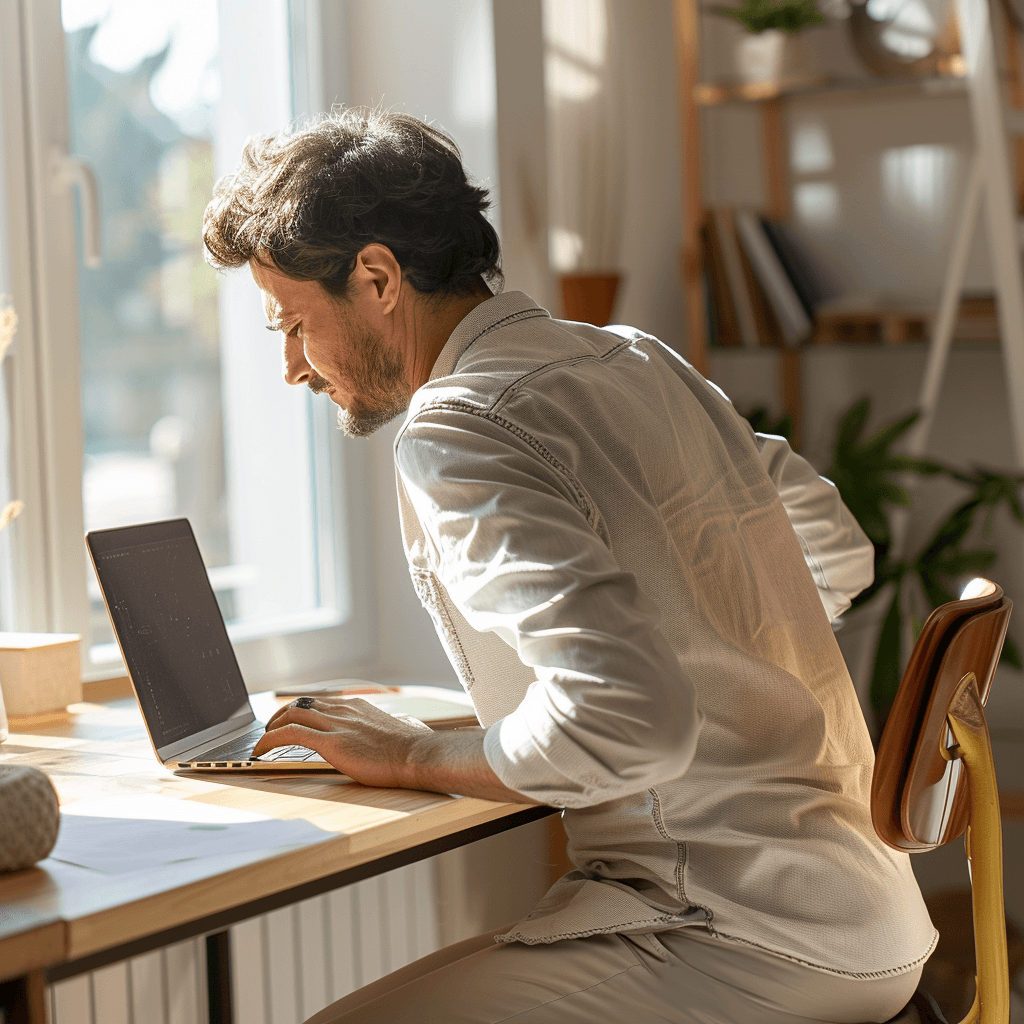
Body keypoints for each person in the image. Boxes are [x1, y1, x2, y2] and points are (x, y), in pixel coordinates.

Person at [203, 108, 935, 1024]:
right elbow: (835, 547)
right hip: (870, 915)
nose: (290, 367)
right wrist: (701, 649)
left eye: (293, 323)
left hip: (734, 931)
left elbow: (631, 725)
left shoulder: (457, 427)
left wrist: (413, 754)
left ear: (378, 277)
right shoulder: (636, 359)